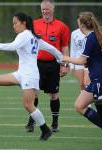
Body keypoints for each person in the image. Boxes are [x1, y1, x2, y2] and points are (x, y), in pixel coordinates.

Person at [0, 12, 64, 141]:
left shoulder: (24, 34)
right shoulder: (34, 37)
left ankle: (45, 130)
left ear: (24, 23)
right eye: (13, 23)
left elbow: (12, 46)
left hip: (29, 76)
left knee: (28, 105)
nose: (14, 26)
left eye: (15, 23)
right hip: (21, 74)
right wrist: (61, 59)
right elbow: (52, 49)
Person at [62, 12, 102, 149]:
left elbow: (82, 60)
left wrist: (67, 58)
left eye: (78, 22)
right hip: (97, 80)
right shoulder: (94, 36)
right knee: (79, 106)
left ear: (81, 24)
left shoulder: (91, 38)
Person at [25, 0, 70, 133]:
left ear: (53, 9)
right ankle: (31, 122)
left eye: (47, 9)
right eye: (43, 9)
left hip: (53, 65)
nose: (45, 11)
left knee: (54, 94)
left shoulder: (62, 27)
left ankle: (55, 123)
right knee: (34, 93)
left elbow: (65, 47)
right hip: (36, 64)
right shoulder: (34, 24)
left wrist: (64, 65)